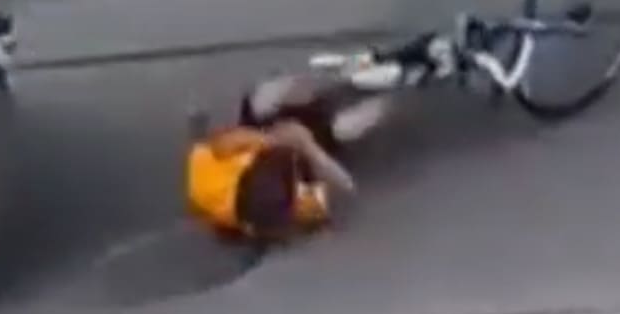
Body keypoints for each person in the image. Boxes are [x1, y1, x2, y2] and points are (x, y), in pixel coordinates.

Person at [185, 32, 449, 243]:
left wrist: (271, 140)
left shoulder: (209, 178)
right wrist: (308, 148)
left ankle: (344, 70)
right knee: (347, 128)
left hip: (265, 129)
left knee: (272, 96)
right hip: (309, 145)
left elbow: (224, 140)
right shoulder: (290, 204)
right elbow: (345, 189)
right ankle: (417, 83)